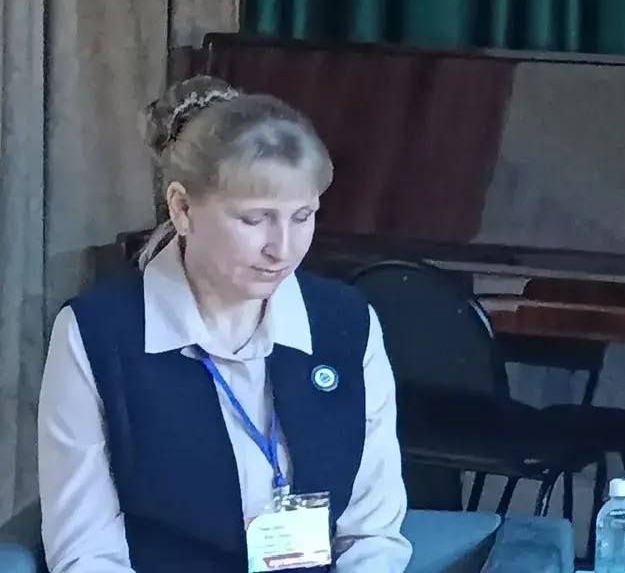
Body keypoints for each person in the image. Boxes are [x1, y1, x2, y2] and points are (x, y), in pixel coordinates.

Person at [37, 76, 412, 572]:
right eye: (254, 220)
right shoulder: (96, 335)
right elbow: (87, 552)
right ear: (182, 208)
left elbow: (372, 531)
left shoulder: (346, 322)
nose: (282, 249)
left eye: (303, 216)